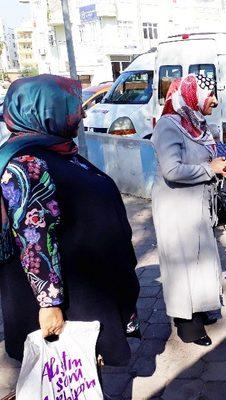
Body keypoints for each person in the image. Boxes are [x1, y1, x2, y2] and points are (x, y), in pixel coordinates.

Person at [0, 75, 140, 366]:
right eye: (72, 107)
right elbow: (33, 239)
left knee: (83, 377)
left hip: (87, 288)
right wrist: (49, 305)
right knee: (68, 377)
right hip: (68, 300)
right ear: (44, 109)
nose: (82, 113)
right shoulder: (28, 164)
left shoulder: (57, 151)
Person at [151, 74, 226, 346]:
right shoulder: (169, 126)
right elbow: (172, 170)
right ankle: (187, 325)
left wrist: (220, 165)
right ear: (192, 96)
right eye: (209, 94)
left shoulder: (196, 124)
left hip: (197, 204)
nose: (214, 99)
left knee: (199, 261)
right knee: (182, 264)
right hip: (176, 207)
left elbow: (202, 158)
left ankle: (199, 310)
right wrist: (209, 169)